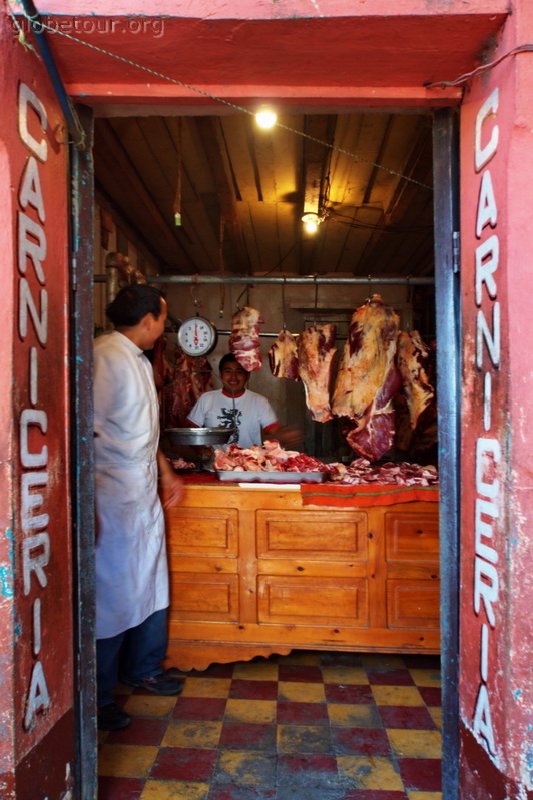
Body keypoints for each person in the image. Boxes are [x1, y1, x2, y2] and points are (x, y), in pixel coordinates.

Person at [94, 284, 184, 732]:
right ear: (149, 318)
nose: (163, 327)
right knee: (111, 594)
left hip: (141, 489)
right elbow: (81, 434)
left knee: (150, 580)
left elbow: (146, 435)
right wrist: (84, 501)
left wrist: (165, 471)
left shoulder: (136, 358)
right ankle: (98, 694)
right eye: (164, 319)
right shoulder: (104, 357)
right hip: (109, 493)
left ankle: (144, 668)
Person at [187, 353, 302, 448]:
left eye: (239, 372)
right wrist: (201, 450)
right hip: (213, 468)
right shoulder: (207, 399)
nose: (233, 377)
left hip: (249, 467)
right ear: (221, 375)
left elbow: (275, 431)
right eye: (228, 371)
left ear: (247, 376)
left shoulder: (259, 401)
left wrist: (285, 435)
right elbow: (190, 432)